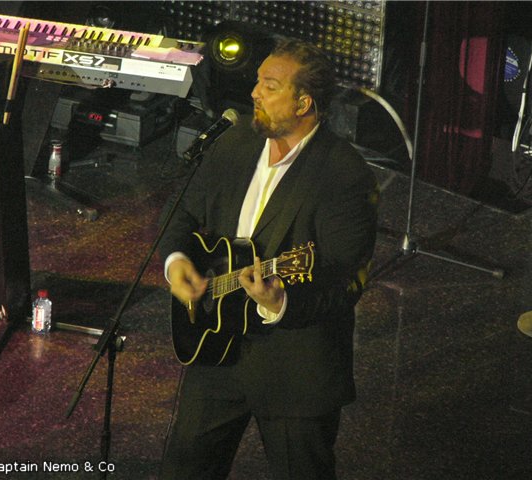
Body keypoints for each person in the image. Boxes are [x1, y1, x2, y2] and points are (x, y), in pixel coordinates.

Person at [159, 38, 378, 480]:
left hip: (294, 371)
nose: (255, 92)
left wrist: (280, 302)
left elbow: (345, 281)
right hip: (215, 349)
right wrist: (177, 260)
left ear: (303, 103)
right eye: (258, 81)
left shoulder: (343, 174)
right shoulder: (235, 141)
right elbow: (183, 211)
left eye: (271, 86)